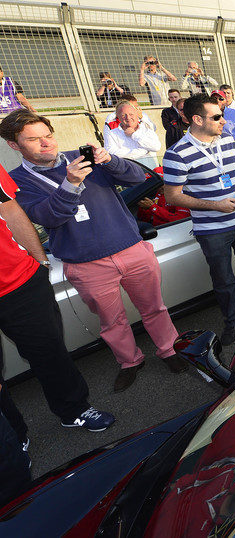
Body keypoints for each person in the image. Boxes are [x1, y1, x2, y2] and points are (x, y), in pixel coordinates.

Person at [5, 110, 183, 391]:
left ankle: (170, 349)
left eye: (48, 135)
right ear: (14, 145)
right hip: (86, 264)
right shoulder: (18, 181)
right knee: (112, 322)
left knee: (155, 308)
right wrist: (70, 183)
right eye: (34, 139)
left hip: (131, 249)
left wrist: (111, 160)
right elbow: (49, 217)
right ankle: (130, 362)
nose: (46, 143)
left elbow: (139, 178)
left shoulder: (82, 155)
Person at [0, 160, 113, 433]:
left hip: (20, 282)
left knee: (50, 353)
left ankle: (74, 409)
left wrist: (40, 262)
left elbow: (10, 209)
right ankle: (12, 439)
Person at [163, 94, 235, 346]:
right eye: (217, 116)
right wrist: (215, 206)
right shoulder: (176, 154)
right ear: (197, 120)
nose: (224, 120)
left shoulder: (229, 140)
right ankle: (234, 321)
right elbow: (173, 197)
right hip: (212, 231)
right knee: (223, 281)